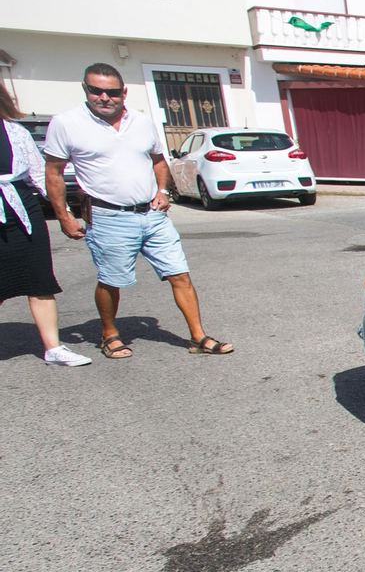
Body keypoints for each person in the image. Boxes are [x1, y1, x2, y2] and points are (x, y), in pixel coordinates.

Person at [43, 64, 232, 358]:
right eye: (96, 90)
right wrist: (64, 216)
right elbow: (54, 173)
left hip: (152, 215)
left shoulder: (142, 122)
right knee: (111, 279)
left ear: (124, 92)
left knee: (179, 274)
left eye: (113, 92)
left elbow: (158, 160)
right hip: (108, 216)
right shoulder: (66, 123)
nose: (105, 97)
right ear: (86, 89)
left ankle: (197, 337)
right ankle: (109, 334)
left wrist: (163, 191)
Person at [0, 85, 91, 366]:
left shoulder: (14, 130)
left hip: (21, 209)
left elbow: (39, 173)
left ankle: (53, 348)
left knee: (38, 278)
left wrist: (64, 213)